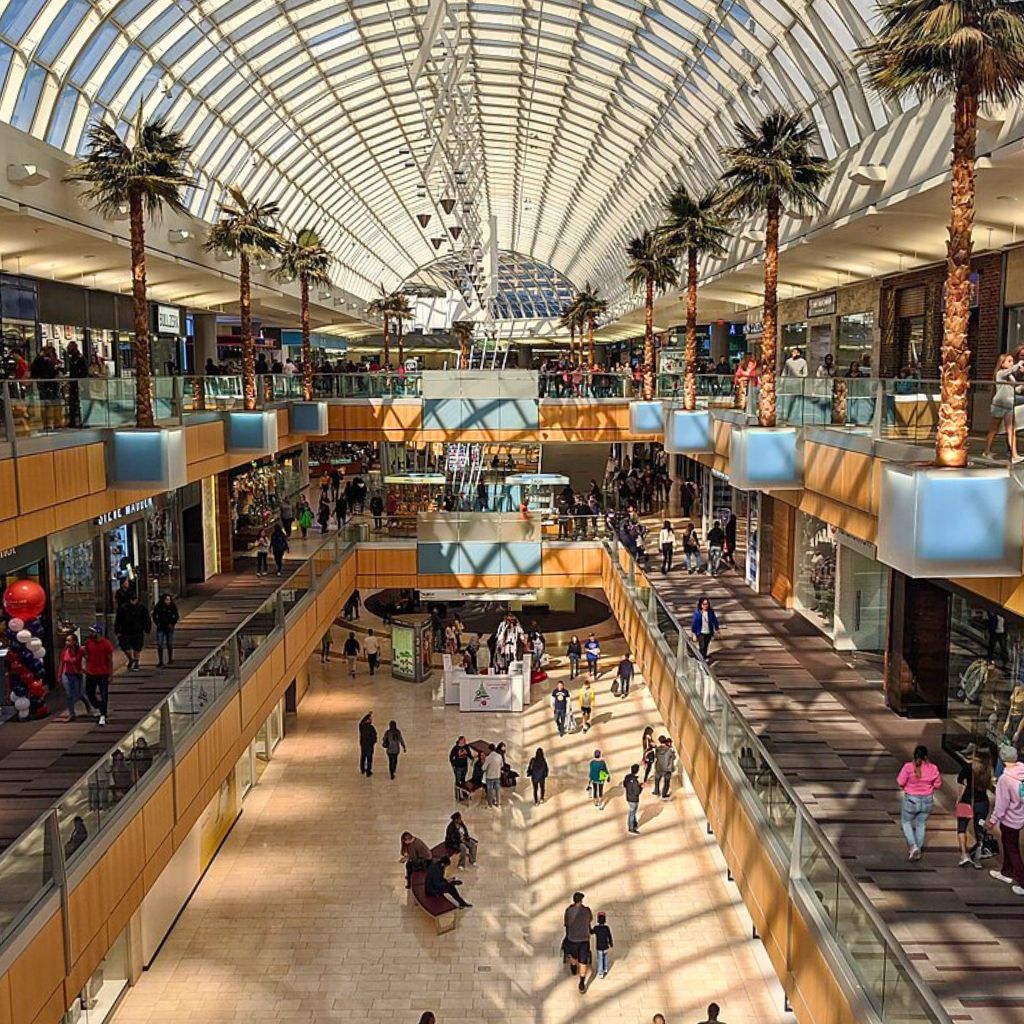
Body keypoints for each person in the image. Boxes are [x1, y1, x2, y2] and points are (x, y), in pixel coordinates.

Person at [988, 744, 1024, 893]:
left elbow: (1001, 803)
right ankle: (1006, 871)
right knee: (1010, 844)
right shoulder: (1021, 773)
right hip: (1020, 817)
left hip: (1009, 819)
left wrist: (993, 820)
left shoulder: (1005, 779)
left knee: (1012, 849)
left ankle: (1022, 882)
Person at [897, 744, 942, 861]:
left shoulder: (908, 767)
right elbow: (938, 784)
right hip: (927, 800)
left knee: (906, 822)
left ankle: (913, 846)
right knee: (921, 824)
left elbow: (900, 781)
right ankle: (918, 848)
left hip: (911, 800)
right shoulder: (933, 768)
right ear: (926, 756)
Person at [984, 353, 1024, 460]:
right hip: (999, 404)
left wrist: (1021, 387)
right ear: (1002, 364)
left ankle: (1014, 455)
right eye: (1009, 361)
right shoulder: (1000, 373)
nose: (1012, 363)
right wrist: (1018, 365)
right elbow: (1009, 371)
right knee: (994, 429)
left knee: (1011, 430)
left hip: (1009, 404)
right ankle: (987, 451)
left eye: (1012, 361)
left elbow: (1014, 389)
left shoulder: (1011, 377)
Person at [956, 750, 992, 868]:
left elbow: (960, 781)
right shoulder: (988, 770)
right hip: (982, 804)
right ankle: (977, 858)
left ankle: (964, 854)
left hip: (967, 801)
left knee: (962, 828)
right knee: (979, 829)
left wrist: (958, 799)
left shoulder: (968, 767)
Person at [82, 624, 114, 726]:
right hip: (91, 672)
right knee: (89, 692)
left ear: (98, 633)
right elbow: (86, 655)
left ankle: (103, 714)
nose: (90, 633)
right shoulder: (88, 642)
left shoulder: (106, 644)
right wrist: (85, 666)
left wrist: (110, 674)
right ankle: (98, 706)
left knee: (104, 694)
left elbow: (109, 660)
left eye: (92, 632)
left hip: (103, 673)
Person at [562, 892, 593, 992]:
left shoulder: (569, 911)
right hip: (584, 939)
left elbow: (566, 924)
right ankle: (582, 983)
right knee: (583, 961)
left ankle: (574, 968)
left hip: (572, 939)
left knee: (573, 956)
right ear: (581, 900)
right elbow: (590, 920)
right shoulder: (587, 911)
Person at [114, 592, 151, 671]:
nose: (133, 601)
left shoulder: (141, 607)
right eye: (132, 600)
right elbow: (118, 620)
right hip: (125, 631)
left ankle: (136, 663)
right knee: (125, 647)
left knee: (137, 648)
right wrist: (117, 631)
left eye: (135, 599)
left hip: (137, 630)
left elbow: (146, 618)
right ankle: (131, 659)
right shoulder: (123, 608)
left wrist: (147, 628)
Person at [59, 633, 91, 721]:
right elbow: (62, 663)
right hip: (66, 674)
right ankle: (71, 713)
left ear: (74, 642)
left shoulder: (80, 650)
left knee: (79, 694)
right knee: (69, 695)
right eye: (66, 640)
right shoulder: (65, 651)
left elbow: (88, 659)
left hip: (77, 674)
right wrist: (59, 675)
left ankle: (87, 703)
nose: (67, 642)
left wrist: (85, 669)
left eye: (69, 640)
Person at [152, 594, 179, 667]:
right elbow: (154, 614)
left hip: (169, 627)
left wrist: (172, 623)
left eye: (169, 600)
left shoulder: (172, 606)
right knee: (160, 644)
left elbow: (176, 616)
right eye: (166, 600)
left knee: (169, 643)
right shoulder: (159, 607)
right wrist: (157, 623)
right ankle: (160, 661)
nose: (168, 601)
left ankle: (170, 659)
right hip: (161, 627)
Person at [591, 911, 614, 979]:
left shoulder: (596, 928)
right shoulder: (607, 928)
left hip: (599, 947)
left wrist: (588, 926)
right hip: (605, 946)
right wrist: (611, 943)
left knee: (600, 959)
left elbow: (591, 932)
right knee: (605, 958)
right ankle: (605, 969)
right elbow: (609, 936)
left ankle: (601, 972)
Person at [624, 763, 643, 834]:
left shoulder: (627, 777)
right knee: (632, 813)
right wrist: (641, 787)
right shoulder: (635, 781)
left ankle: (634, 823)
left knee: (633, 811)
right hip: (634, 799)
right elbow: (637, 792)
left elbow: (625, 784)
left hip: (628, 797)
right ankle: (631, 828)